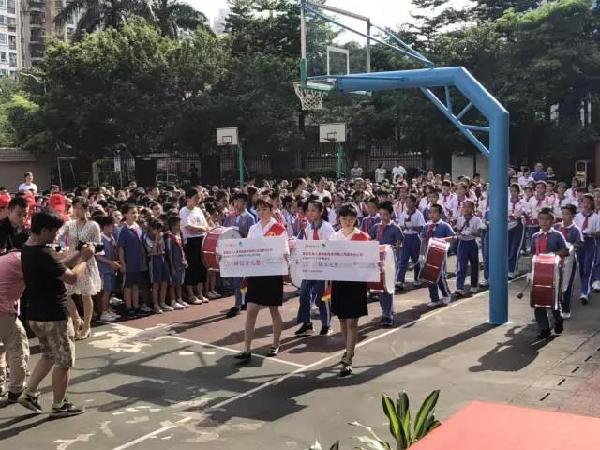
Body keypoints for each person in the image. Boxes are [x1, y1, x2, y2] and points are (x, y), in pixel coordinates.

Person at [18, 208, 94, 417]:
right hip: (54, 314)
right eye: (53, 232)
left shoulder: (28, 248)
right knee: (64, 361)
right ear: (44, 230)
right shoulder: (43, 254)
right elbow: (71, 277)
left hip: (35, 313)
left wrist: (77, 254)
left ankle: (29, 393)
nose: (55, 236)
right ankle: (59, 405)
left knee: (49, 355)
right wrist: (85, 260)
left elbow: (58, 268)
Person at [234, 199, 288, 362]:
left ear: (271, 210)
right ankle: (247, 349)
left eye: (264, 209)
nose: (261, 212)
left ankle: (276, 344)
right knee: (251, 311)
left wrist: (283, 255)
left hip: (272, 274)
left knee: (273, 310)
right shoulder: (253, 229)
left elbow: (284, 250)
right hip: (256, 274)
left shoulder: (279, 229)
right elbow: (248, 249)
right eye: (258, 209)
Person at [329, 203, 370, 377]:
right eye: (344, 218)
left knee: (353, 321)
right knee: (343, 320)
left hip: (356, 283)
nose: (348, 221)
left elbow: (369, 260)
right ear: (339, 219)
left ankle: (349, 357)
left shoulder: (363, 237)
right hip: (339, 282)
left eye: (351, 219)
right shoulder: (334, 237)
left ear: (355, 220)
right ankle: (347, 350)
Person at [58, 197, 102, 339]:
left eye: (80, 208)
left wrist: (89, 248)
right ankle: (77, 319)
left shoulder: (93, 225)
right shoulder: (69, 224)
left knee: (86, 294)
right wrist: (60, 248)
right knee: (66, 293)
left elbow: (99, 245)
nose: (77, 211)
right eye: (75, 207)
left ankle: (87, 325)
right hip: (71, 260)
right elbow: (58, 236)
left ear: (86, 209)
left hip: (86, 261)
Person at [295, 200, 335, 336]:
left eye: (313, 210)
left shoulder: (327, 228)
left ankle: (326, 325)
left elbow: (332, 247)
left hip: (323, 268)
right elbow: (304, 246)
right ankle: (306, 324)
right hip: (310, 268)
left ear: (321, 211)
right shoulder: (308, 228)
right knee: (304, 293)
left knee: (322, 297)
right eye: (308, 210)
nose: (310, 213)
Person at [530, 208, 568, 340]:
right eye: (541, 219)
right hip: (539, 272)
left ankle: (558, 320)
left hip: (554, 272)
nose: (544, 222)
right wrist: (531, 272)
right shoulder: (535, 236)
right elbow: (533, 255)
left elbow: (565, 251)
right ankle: (544, 329)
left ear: (552, 221)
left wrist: (553, 254)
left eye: (547, 219)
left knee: (554, 300)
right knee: (538, 300)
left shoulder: (557, 235)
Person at [0, 249, 29, 405]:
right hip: (4, 311)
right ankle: (16, 390)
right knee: (18, 349)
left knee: (1, 349)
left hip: (4, 309)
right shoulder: (19, 259)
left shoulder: (6, 259)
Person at [369, 201, 403, 327]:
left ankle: (387, 315)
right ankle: (387, 310)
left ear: (391, 214)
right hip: (378, 261)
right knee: (380, 288)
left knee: (387, 287)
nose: (383, 217)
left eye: (386, 214)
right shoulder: (376, 227)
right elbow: (369, 238)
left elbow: (400, 241)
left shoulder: (395, 228)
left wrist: (395, 247)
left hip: (389, 261)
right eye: (381, 214)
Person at [222, 192, 256, 318]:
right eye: (235, 201)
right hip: (231, 252)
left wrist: (239, 231)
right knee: (235, 280)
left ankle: (237, 305)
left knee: (239, 280)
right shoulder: (230, 216)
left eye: (239, 201)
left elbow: (251, 235)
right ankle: (243, 300)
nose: (236, 204)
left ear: (245, 203)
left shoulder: (250, 218)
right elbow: (224, 231)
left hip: (243, 252)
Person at [420, 204, 455, 308]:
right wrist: (421, 254)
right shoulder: (426, 226)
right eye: (430, 212)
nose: (432, 214)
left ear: (440, 214)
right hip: (428, 254)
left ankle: (446, 293)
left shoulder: (445, 225)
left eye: (435, 212)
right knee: (429, 277)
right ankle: (434, 299)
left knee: (440, 276)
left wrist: (441, 240)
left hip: (440, 254)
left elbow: (453, 237)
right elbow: (423, 240)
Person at [180, 188, 210, 305]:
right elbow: (188, 227)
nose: (198, 200)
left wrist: (201, 229)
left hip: (201, 240)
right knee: (192, 267)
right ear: (188, 198)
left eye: (199, 198)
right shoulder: (183, 210)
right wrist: (201, 228)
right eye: (195, 198)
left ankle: (200, 293)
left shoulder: (199, 210)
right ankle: (191, 295)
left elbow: (206, 225)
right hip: (190, 242)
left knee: (201, 267)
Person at [117, 203, 146, 319]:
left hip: (138, 262)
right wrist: (123, 263)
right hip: (129, 263)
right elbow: (120, 248)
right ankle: (129, 306)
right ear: (125, 215)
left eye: (136, 212)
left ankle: (136, 305)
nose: (135, 215)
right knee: (128, 285)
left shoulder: (138, 228)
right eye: (132, 213)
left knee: (136, 285)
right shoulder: (124, 230)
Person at [554, 204, 582, 319]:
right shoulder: (556, 227)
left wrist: (571, 247)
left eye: (567, 214)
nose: (564, 216)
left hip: (569, 260)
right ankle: (556, 307)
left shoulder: (576, 230)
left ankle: (566, 309)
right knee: (555, 283)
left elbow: (580, 243)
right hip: (556, 259)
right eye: (563, 213)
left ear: (573, 216)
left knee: (567, 284)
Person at [454, 201, 483, 297]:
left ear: (473, 209)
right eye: (464, 207)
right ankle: (459, 287)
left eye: (469, 207)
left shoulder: (476, 219)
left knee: (474, 265)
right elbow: (458, 231)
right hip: (462, 243)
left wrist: (472, 232)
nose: (466, 209)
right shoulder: (460, 219)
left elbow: (479, 233)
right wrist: (459, 232)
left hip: (472, 243)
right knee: (461, 265)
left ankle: (474, 285)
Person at [396, 194, 425, 290]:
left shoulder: (418, 214)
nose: (408, 204)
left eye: (410, 202)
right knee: (403, 259)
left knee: (416, 259)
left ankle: (417, 278)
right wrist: (404, 227)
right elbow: (400, 226)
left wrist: (412, 227)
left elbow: (422, 227)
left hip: (415, 237)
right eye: (406, 202)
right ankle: (400, 280)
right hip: (405, 237)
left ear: (414, 202)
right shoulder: (403, 214)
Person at [574, 194, 599, 305]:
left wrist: (591, 233)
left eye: (588, 203)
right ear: (581, 203)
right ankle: (585, 287)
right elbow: (574, 229)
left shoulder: (596, 217)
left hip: (590, 243)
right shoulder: (578, 216)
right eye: (584, 202)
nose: (586, 205)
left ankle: (585, 292)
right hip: (580, 243)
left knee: (588, 267)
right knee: (581, 267)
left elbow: (598, 232)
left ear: (592, 203)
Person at [95, 215, 121, 322]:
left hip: (111, 269)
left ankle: (108, 309)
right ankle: (103, 313)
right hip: (104, 270)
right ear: (105, 226)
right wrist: (111, 263)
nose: (112, 227)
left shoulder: (112, 237)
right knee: (106, 291)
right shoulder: (100, 239)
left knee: (110, 291)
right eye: (110, 225)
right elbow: (98, 257)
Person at [143, 218, 171, 313]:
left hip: (162, 258)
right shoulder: (146, 237)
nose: (158, 231)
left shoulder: (160, 235)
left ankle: (162, 302)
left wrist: (159, 238)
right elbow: (153, 251)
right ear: (151, 228)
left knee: (164, 282)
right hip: (153, 259)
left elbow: (162, 248)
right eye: (156, 228)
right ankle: (156, 305)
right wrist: (156, 239)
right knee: (155, 283)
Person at [164, 215, 188, 310]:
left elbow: (182, 249)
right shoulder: (169, 237)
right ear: (173, 226)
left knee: (179, 283)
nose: (180, 226)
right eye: (178, 225)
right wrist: (172, 266)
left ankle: (179, 299)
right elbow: (169, 253)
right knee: (173, 284)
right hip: (174, 263)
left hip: (181, 262)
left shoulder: (179, 235)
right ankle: (173, 301)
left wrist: (184, 259)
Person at [507, 184, 526, 278]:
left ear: (518, 192)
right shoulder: (507, 202)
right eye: (511, 191)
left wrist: (520, 214)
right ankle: (509, 267)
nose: (513, 193)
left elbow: (524, 212)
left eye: (515, 191)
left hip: (518, 225)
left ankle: (512, 270)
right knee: (507, 247)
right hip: (507, 225)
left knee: (515, 247)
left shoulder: (522, 202)